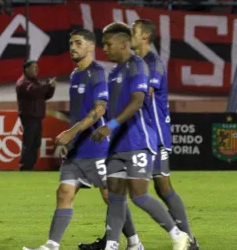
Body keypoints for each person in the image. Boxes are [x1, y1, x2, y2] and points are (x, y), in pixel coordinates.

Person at [78, 20, 199, 250]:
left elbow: (140, 98)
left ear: (141, 38)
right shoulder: (116, 72)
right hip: (121, 141)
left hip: (148, 136)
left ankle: (185, 238)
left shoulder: (147, 64)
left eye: (132, 32)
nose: (104, 48)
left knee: (152, 191)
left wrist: (110, 124)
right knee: (115, 193)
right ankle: (117, 243)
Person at [22, 28, 143, 250]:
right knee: (64, 192)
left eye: (78, 43)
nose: (72, 47)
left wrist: (72, 132)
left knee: (110, 196)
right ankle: (51, 245)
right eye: (71, 43)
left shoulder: (96, 73)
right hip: (77, 149)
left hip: (96, 147)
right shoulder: (75, 74)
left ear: (90, 47)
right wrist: (73, 137)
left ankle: (134, 243)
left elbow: (99, 109)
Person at [16, 60, 56, 170]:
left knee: (35, 144)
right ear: (26, 69)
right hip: (29, 117)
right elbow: (35, 91)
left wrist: (51, 87)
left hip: (37, 117)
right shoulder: (23, 82)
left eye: (37, 67)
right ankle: (24, 167)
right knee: (29, 143)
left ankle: (30, 166)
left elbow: (44, 95)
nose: (36, 69)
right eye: (33, 67)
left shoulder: (34, 82)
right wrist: (48, 85)